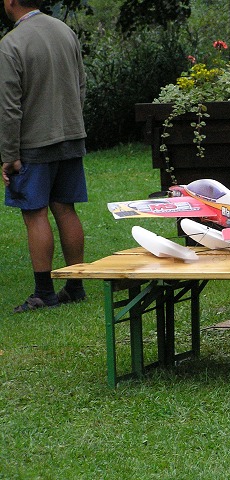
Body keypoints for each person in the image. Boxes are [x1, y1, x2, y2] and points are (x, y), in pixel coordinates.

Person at [1, 0, 88, 313]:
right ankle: (75, 286)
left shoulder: (11, 43)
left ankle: (44, 293)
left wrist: (9, 154)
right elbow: (81, 85)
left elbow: (9, 106)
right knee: (66, 208)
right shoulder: (64, 31)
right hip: (70, 135)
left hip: (34, 141)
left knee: (34, 213)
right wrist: (72, 122)